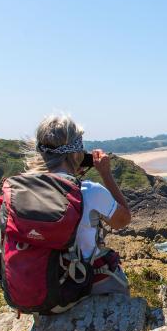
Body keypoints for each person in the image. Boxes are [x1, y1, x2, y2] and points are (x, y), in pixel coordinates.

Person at [24, 114, 132, 297]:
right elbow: (123, 220)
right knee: (119, 286)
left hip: (38, 287)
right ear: (75, 153)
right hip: (83, 283)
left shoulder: (22, 190)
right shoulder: (89, 191)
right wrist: (106, 174)